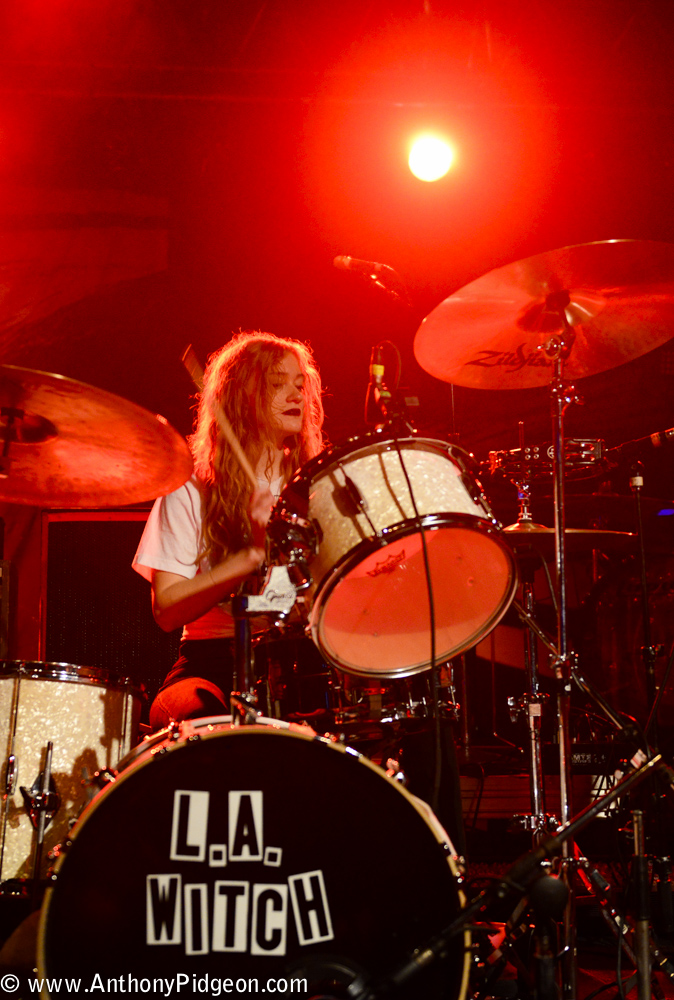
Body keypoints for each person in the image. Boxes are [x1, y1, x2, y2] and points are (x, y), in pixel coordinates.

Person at [133, 330, 325, 731]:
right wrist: (249, 556)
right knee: (197, 717)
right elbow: (166, 609)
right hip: (212, 658)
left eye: (299, 384)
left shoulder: (321, 485)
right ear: (243, 395)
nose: (296, 396)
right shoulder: (192, 487)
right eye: (277, 384)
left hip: (308, 658)